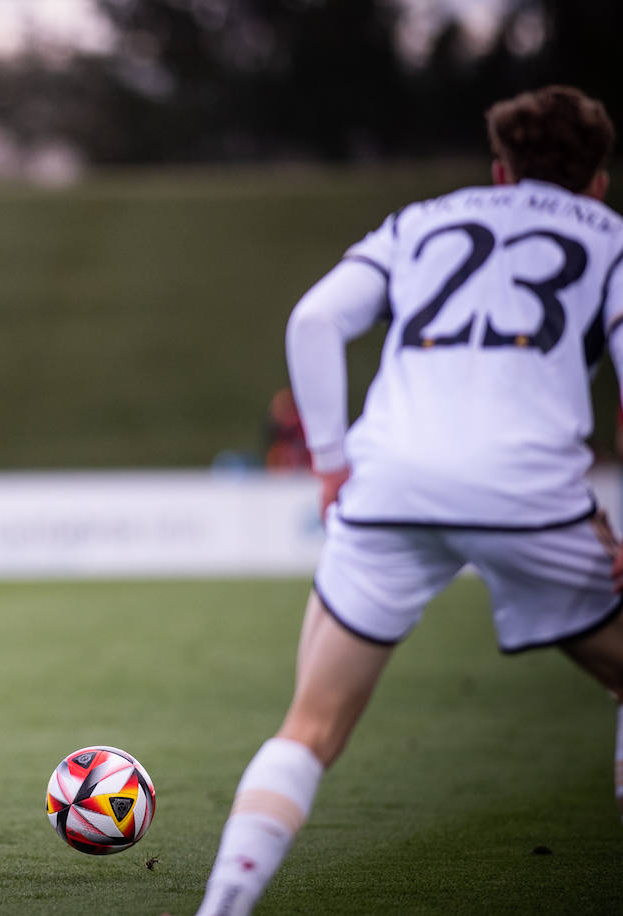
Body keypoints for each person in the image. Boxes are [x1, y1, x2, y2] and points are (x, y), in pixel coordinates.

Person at [193, 85, 623, 915]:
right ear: (598, 181)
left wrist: (330, 463)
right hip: (530, 492)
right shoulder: (610, 239)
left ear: (501, 172)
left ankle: (222, 907)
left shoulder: (422, 220)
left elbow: (314, 321)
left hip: (390, 484)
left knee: (309, 730)